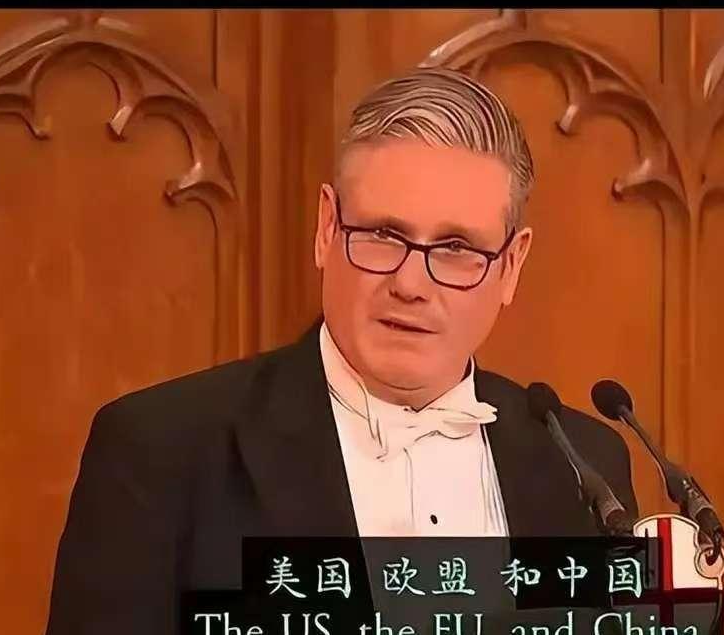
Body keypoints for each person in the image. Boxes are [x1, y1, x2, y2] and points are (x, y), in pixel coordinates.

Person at [45, 67, 637, 635]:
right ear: (327, 227)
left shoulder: (586, 466)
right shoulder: (159, 451)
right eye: (383, 235)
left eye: (457, 248)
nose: (411, 283)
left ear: (510, 266)